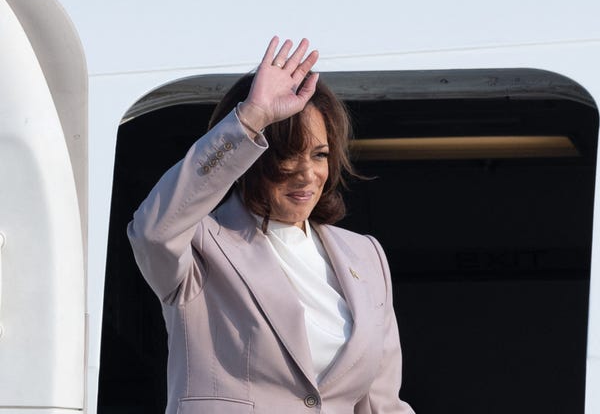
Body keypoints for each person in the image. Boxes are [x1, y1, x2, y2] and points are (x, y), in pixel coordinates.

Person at [128, 37, 415, 414]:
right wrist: (252, 117)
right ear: (253, 159)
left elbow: (382, 405)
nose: (307, 174)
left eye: (320, 154)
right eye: (287, 156)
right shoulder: (200, 244)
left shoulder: (365, 255)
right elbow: (152, 229)